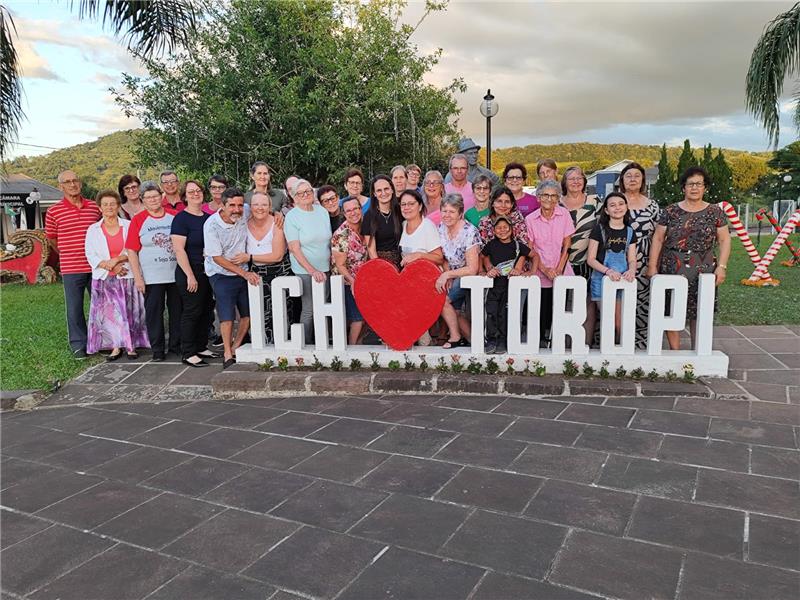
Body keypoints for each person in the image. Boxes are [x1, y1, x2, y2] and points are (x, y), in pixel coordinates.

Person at [648, 166, 731, 350]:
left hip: (704, 268)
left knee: (699, 312)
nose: (694, 188)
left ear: (705, 187)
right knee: (671, 310)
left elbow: (724, 240)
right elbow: (658, 238)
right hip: (672, 266)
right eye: (690, 184)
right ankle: (675, 352)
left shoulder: (715, 212)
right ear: (683, 187)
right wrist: (652, 266)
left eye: (699, 184)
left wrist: (722, 267)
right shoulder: (670, 211)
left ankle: (698, 350)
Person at [84, 190, 148, 360]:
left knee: (129, 311)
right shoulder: (93, 229)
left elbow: (134, 247)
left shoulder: (129, 225)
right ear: (99, 208)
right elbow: (91, 254)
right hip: (105, 279)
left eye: (113, 203)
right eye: (105, 204)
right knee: (110, 315)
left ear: (119, 205)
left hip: (127, 275)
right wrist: (111, 267)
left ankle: (131, 345)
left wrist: (118, 260)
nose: (109, 207)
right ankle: (115, 347)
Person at [45, 169, 102, 358]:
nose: (72, 184)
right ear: (61, 186)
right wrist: (68, 252)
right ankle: (79, 344)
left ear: (80, 183)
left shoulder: (94, 207)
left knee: (100, 305)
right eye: (67, 182)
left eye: (75, 180)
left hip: (96, 266)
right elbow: (52, 239)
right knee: (74, 307)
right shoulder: (54, 211)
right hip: (71, 267)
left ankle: (101, 341)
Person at [204, 188, 261, 368]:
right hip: (221, 273)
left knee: (248, 313)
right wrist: (244, 273)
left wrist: (277, 215)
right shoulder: (211, 225)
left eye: (239, 205)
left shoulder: (244, 211)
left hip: (243, 270)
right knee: (227, 315)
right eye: (232, 205)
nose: (237, 209)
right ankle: (227, 353)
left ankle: (236, 346)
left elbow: (261, 210)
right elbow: (217, 257)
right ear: (222, 205)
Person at [125, 181, 181, 361]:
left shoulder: (174, 216)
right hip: (151, 276)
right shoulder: (139, 220)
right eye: (148, 198)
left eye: (155, 196)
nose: (153, 200)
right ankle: (157, 350)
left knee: (177, 311)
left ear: (161, 196)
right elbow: (132, 250)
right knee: (154, 313)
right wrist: (138, 277)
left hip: (175, 273)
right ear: (143, 200)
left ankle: (176, 345)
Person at [525, 180, 575, 345]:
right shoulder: (530, 219)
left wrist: (559, 269)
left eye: (554, 196)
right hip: (540, 271)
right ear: (538, 197)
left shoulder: (564, 214)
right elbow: (530, 250)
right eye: (546, 195)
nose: (550, 199)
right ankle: (539, 342)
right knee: (540, 311)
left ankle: (557, 342)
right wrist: (546, 270)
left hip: (561, 269)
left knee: (560, 310)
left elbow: (567, 244)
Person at [171, 180, 215, 367]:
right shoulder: (181, 219)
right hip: (190, 271)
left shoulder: (208, 218)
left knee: (206, 310)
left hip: (208, 271)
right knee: (192, 312)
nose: (195, 194)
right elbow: (179, 250)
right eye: (191, 192)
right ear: (184, 196)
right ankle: (188, 352)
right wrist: (190, 275)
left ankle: (200, 345)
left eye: (198, 191)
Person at [619, 162, 661, 348]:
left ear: (643, 179)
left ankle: (640, 343)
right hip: (618, 260)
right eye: (628, 176)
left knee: (641, 303)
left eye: (637, 175)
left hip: (644, 260)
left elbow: (659, 237)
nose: (633, 179)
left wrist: (653, 264)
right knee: (618, 302)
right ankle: (614, 341)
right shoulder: (615, 201)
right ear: (622, 180)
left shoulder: (652, 206)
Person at [284, 179, 332, 343]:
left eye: (308, 191)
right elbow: (294, 248)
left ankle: (322, 343)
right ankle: (306, 345)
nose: (305, 195)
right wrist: (312, 271)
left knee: (324, 306)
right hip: (305, 270)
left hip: (325, 268)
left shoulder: (322, 212)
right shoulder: (292, 217)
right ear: (294, 197)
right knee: (309, 309)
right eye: (301, 193)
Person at [482, 215, 538, 354]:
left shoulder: (518, 246)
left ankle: (502, 340)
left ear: (512, 230)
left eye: (505, 227)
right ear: (494, 231)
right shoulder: (491, 245)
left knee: (504, 314)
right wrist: (487, 269)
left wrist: (531, 271)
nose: (502, 230)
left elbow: (535, 256)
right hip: (494, 287)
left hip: (510, 287)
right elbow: (482, 256)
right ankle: (491, 340)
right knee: (491, 313)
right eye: (499, 228)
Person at [586, 192, 637, 340]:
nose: (617, 208)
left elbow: (632, 259)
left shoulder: (629, 232)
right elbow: (591, 259)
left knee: (620, 321)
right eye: (612, 205)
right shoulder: (598, 230)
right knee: (607, 319)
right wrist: (608, 271)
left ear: (626, 207)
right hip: (601, 280)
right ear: (606, 210)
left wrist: (631, 270)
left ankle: (621, 351)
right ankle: (606, 353)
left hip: (622, 282)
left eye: (621, 204)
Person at [247, 191, 294, 345]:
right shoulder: (243, 223)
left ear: (270, 206)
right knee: (260, 313)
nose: (260, 208)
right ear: (250, 206)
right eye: (256, 204)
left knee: (282, 312)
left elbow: (277, 256)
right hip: (256, 275)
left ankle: (284, 346)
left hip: (279, 272)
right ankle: (264, 346)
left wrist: (250, 257)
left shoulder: (277, 223)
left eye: (264, 204)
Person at [561, 165, 600, 344]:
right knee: (563, 302)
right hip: (562, 260)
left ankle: (585, 342)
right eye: (571, 178)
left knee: (587, 303)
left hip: (588, 259)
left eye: (579, 178)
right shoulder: (557, 202)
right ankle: (565, 342)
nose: (576, 181)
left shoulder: (595, 201)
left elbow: (603, 229)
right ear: (564, 183)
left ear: (584, 181)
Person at [435, 193, 480, 349]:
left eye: (451, 212)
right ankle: (474, 343)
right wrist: (446, 274)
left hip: (467, 275)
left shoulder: (469, 231)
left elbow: (472, 268)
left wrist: (448, 275)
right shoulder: (440, 228)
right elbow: (443, 257)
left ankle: (455, 336)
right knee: (454, 310)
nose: (447, 215)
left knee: (444, 300)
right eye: (444, 211)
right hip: (450, 274)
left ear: (460, 213)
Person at [331, 197, 369, 345]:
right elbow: (340, 265)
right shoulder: (341, 235)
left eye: (356, 208)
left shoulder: (365, 227)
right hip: (347, 281)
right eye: (349, 210)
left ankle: (358, 344)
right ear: (344, 213)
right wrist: (353, 282)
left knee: (368, 318)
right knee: (358, 318)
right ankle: (352, 350)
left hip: (363, 280)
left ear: (360, 209)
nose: (353, 213)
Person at [363, 175, 402, 268]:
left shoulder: (400, 211)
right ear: (374, 194)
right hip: (379, 264)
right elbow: (371, 250)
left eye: (386, 189)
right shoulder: (369, 216)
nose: (383, 193)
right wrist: (381, 268)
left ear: (392, 190)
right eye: (379, 190)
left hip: (400, 263)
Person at [398, 189, 444, 268]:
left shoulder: (428, 227)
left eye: (411, 204)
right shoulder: (402, 225)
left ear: (420, 206)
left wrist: (420, 255)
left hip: (427, 275)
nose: (406, 207)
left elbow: (439, 258)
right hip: (408, 275)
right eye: (403, 204)